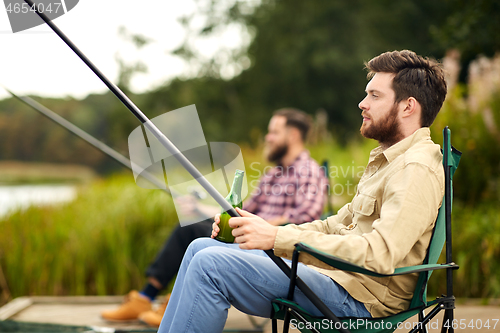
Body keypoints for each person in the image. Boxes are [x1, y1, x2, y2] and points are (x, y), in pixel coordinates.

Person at [156, 50, 448, 333]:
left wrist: (278, 236)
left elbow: (381, 254)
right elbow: (333, 224)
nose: (362, 103)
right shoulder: (388, 161)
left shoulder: (416, 167)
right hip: (339, 279)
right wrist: (259, 229)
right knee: (199, 248)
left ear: (408, 106)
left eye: (374, 95)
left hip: (362, 298)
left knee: (210, 265)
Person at [101, 108, 328, 326]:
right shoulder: (272, 175)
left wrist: (263, 228)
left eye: (274, 132)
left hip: (270, 247)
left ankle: (167, 301)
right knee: (190, 228)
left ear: (294, 135)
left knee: (190, 234)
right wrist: (198, 207)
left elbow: (305, 219)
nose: (267, 137)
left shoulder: (309, 172)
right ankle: (148, 299)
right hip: (247, 236)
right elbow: (239, 212)